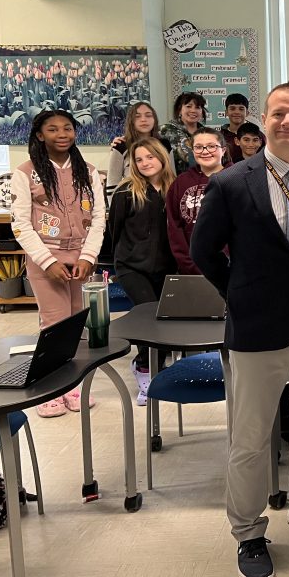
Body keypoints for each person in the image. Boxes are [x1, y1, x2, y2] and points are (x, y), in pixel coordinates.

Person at [191, 83, 289, 577]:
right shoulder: (232, 183)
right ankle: (247, 530)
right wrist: (238, 293)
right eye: (279, 114)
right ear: (263, 120)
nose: (288, 122)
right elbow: (203, 251)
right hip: (258, 326)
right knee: (252, 436)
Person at [11, 109, 105, 418]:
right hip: (46, 261)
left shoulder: (88, 171)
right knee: (53, 324)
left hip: (79, 258)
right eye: (53, 129)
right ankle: (49, 389)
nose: (62, 134)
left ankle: (73, 386)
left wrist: (89, 256)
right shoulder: (25, 172)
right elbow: (21, 225)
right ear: (40, 135)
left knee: (77, 325)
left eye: (67, 128)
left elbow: (99, 219)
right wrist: (47, 261)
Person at [107, 137, 177, 405]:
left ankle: (154, 365)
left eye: (150, 157)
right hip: (132, 266)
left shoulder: (175, 189)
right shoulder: (126, 192)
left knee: (166, 319)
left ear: (162, 157)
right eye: (139, 159)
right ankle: (145, 369)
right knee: (150, 317)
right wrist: (118, 263)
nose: (145, 163)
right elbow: (115, 231)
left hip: (167, 268)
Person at [166, 127, 225, 275]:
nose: (205, 151)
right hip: (189, 270)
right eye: (198, 147)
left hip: (228, 270)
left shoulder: (236, 178)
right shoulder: (180, 182)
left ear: (223, 150)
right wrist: (189, 264)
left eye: (211, 146)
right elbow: (175, 227)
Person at [105, 101, 171, 200]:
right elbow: (112, 184)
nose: (143, 120)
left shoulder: (165, 144)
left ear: (155, 120)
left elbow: (171, 177)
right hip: (133, 203)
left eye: (148, 116)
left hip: (163, 200)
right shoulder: (120, 145)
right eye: (137, 116)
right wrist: (115, 210)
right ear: (131, 121)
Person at [161, 91, 208, 174]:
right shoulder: (165, 130)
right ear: (179, 110)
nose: (193, 110)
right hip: (174, 182)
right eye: (189, 106)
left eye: (198, 107)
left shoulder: (207, 133)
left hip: (203, 181)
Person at [221, 93, 252, 163]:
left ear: (247, 113)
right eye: (232, 108)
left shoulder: (257, 135)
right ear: (226, 112)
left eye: (241, 109)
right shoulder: (219, 137)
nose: (237, 112)